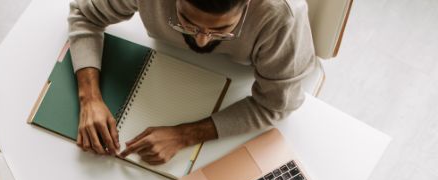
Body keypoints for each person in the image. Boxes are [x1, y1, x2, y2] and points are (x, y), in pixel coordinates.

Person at [69, 0, 316, 164]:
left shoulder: (284, 15)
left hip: (234, 84)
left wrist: (184, 135)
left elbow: (276, 105)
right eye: (187, 22)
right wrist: (89, 97)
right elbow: (84, 14)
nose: (201, 42)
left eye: (221, 29)